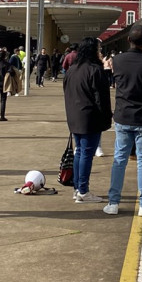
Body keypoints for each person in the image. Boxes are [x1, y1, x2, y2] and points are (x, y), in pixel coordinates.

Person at [103, 24, 142, 217]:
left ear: (129, 40)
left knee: (119, 160)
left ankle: (113, 203)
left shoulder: (117, 60)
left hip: (123, 116)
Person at [63, 37, 112, 203]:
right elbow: (102, 98)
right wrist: (107, 118)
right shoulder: (95, 70)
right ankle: (83, 191)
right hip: (90, 118)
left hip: (74, 117)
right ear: (93, 51)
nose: (100, 52)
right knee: (86, 154)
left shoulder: (72, 70)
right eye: (98, 49)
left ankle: (77, 188)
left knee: (79, 152)